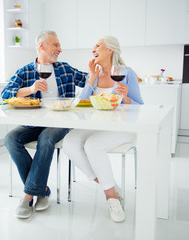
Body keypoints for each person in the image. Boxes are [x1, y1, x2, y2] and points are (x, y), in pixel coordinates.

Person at [1, 30, 88, 219]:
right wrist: (30, 89)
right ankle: (41, 190)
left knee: (46, 138)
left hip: (61, 122)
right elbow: (6, 94)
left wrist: (102, 73)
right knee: (10, 139)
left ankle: (27, 195)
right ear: (42, 46)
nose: (60, 49)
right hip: (33, 123)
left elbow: (88, 80)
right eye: (55, 45)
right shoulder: (25, 71)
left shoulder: (65, 68)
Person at [62, 36, 144, 223]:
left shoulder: (127, 73)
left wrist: (126, 98)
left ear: (110, 50)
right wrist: (91, 78)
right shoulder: (95, 74)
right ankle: (109, 185)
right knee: (70, 141)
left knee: (93, 145)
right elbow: (82, 104)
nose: (93, 50)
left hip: (123, 126)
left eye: (97, 46)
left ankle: (111, 198)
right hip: (98, 125)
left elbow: (140, 106)